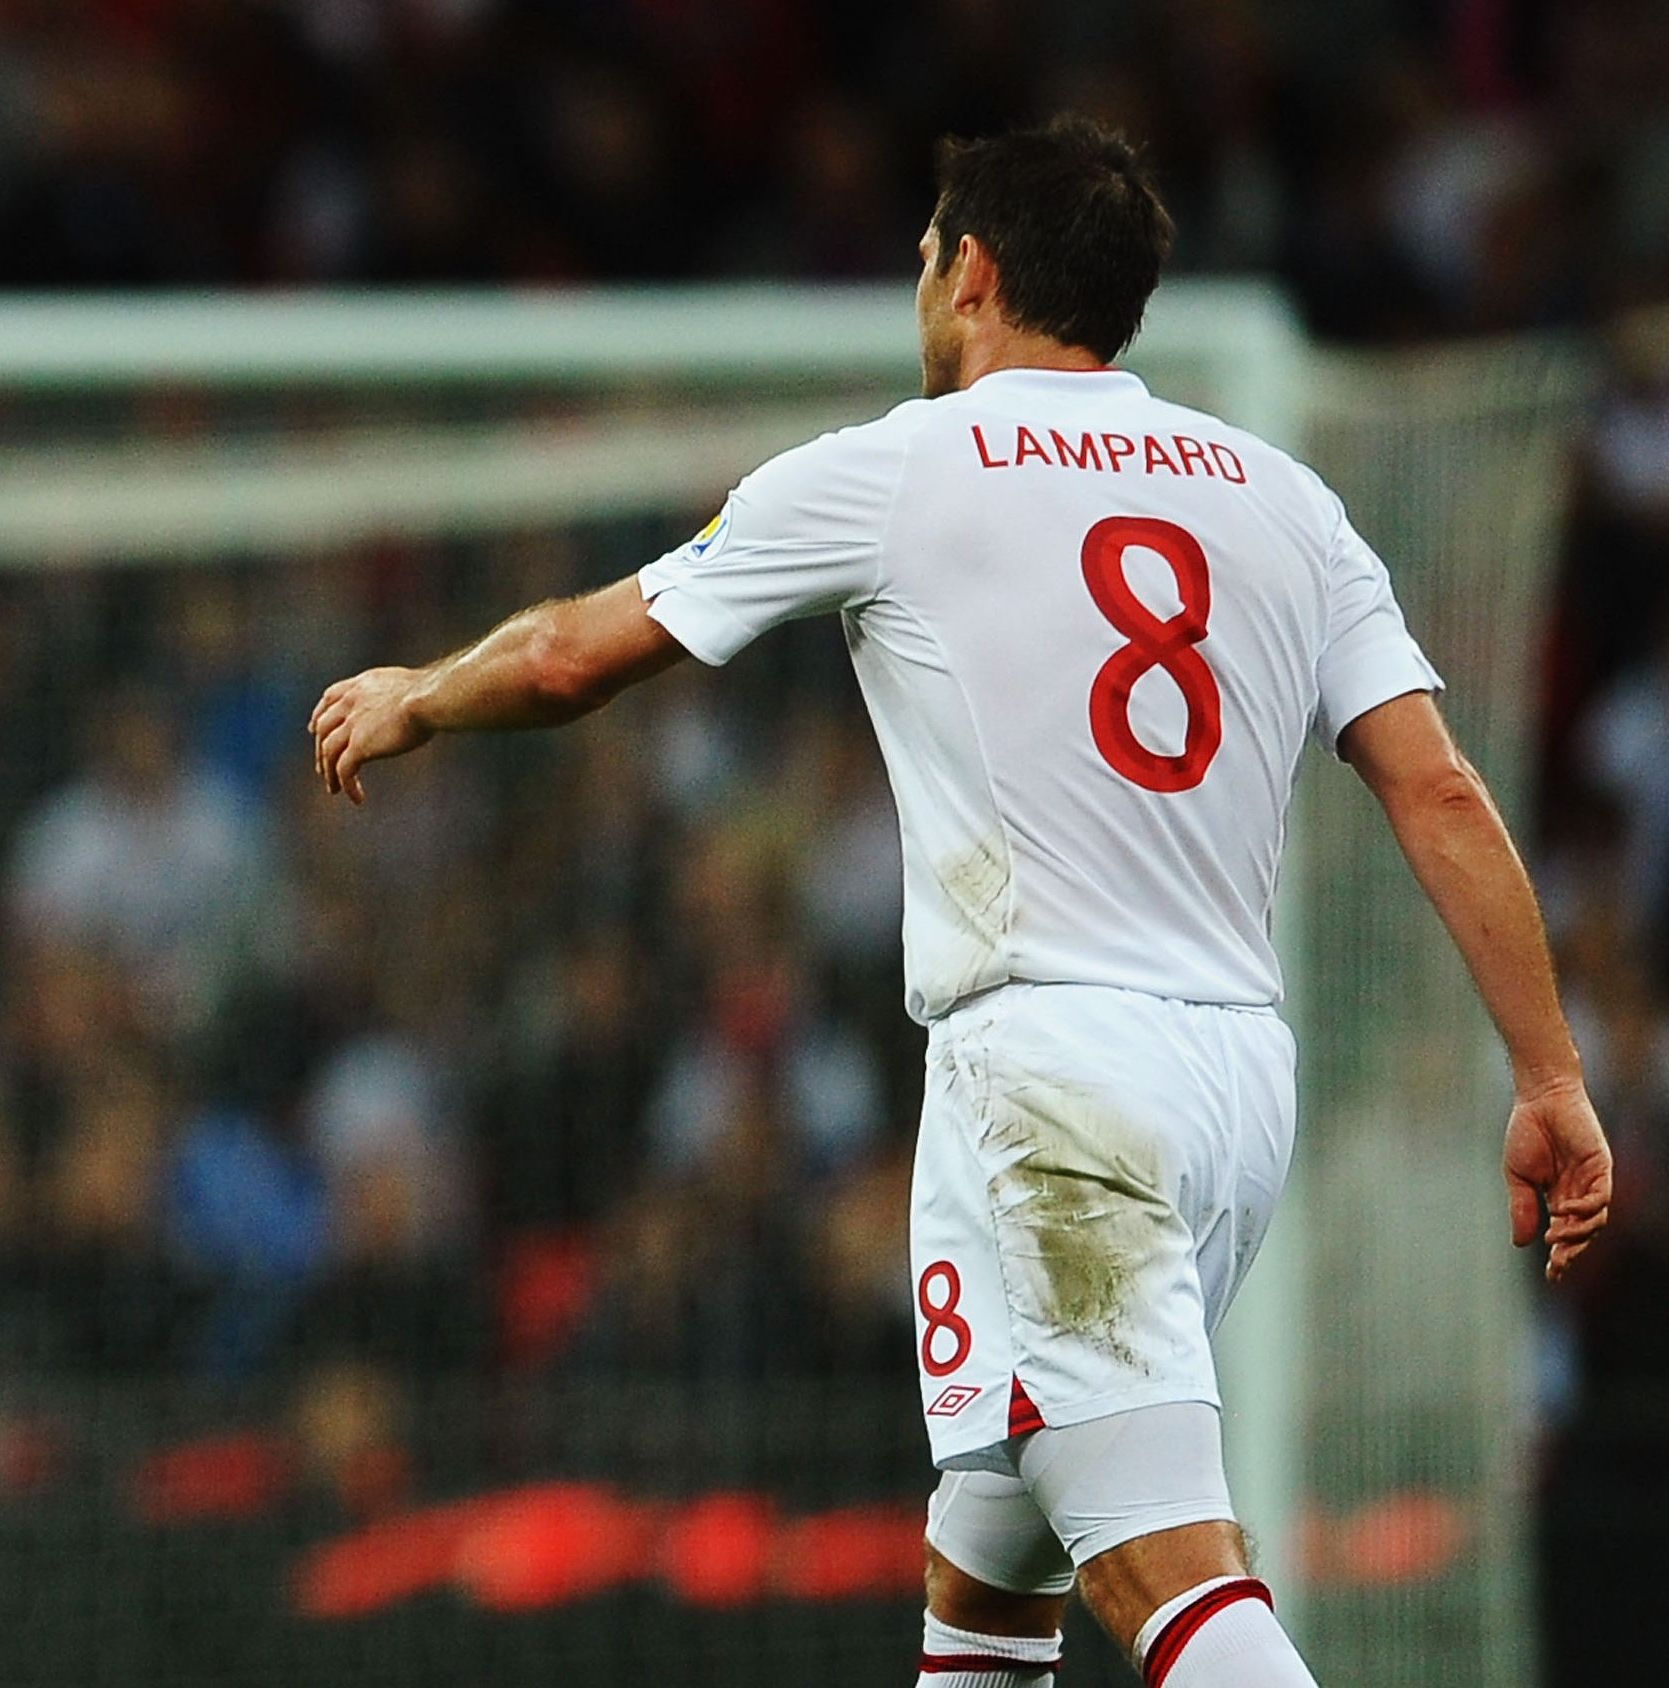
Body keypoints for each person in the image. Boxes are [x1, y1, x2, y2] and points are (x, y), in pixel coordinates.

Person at [307, 116, 1616, 1688]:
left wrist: (419, 694)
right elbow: (1442, 793)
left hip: (1052, 1080)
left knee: (1157, 1566)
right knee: (991, 1556)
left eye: (926, 255)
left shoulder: (897, 467)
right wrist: (1549, 1075)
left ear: (974, 271)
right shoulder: (1287, 501)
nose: (919, 285)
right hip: (1231, 1085)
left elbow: (571, 656)